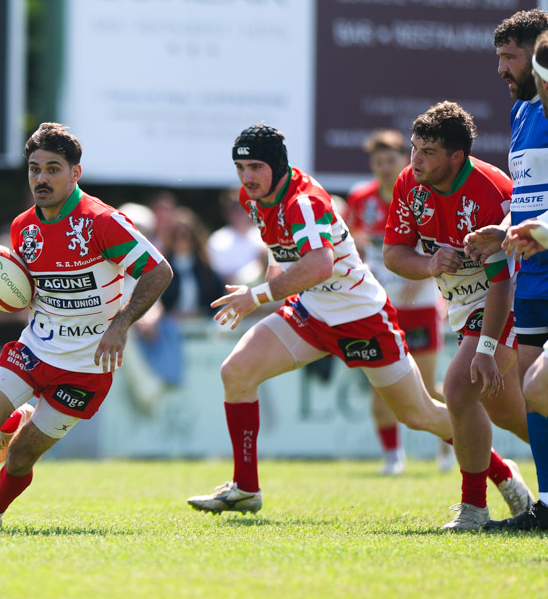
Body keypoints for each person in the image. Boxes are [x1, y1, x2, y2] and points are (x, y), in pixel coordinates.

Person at [184, 124, 521, 528]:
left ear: (276, 165)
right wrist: (270, 285)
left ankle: (503, 474)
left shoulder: (303, 202)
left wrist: (255, 296)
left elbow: (320, 265)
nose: (247, 177)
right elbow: (284, 256)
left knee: (420, 414)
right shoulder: (255, 197)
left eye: (255, 166)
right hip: (310, 312)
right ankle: (245, 488)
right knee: (236, 371)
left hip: (361, 318)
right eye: (240, 167)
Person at [0, 122, 172, 532]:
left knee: (20, 458)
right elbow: (26, 294)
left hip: (88, 368)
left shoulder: (102, 222)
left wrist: (121, 324)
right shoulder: (24, 229)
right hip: (36, 349)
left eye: (53, 168)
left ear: (75, 173)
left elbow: (159, 271)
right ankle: (17, 415)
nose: (41, 177)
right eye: (35, 168)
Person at [384, 102, 533, 529]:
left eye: (428, 151)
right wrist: (429, 264)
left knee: (458, 386)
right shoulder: (410, 184)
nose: (415, 159)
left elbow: (503, 281)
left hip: (508, 294)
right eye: (414, 148)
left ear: (457, 157)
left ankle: (473, 509)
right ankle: (515, 490)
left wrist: (486, 348)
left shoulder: (489, 191)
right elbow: (394, 253)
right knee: (505, 410)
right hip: (464, 302)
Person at [465, 10, 548, 531]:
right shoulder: (521, 115)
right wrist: (503, 228)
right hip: (532, 273)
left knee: (538, 387)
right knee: (530, 395)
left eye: (510, 57)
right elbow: (526, 198)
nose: (501, 68)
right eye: (498, 57)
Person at [347, 129, 448, 475]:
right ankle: (393, 457)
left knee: (428, 384)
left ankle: (448, 449)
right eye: (379, 161)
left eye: (391, 160)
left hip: (420, 304)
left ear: (402, 161)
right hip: (380, 307)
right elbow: (354, 244)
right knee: (383, 386)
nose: (385, 167)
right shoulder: (361, 199)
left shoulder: (419, 195)